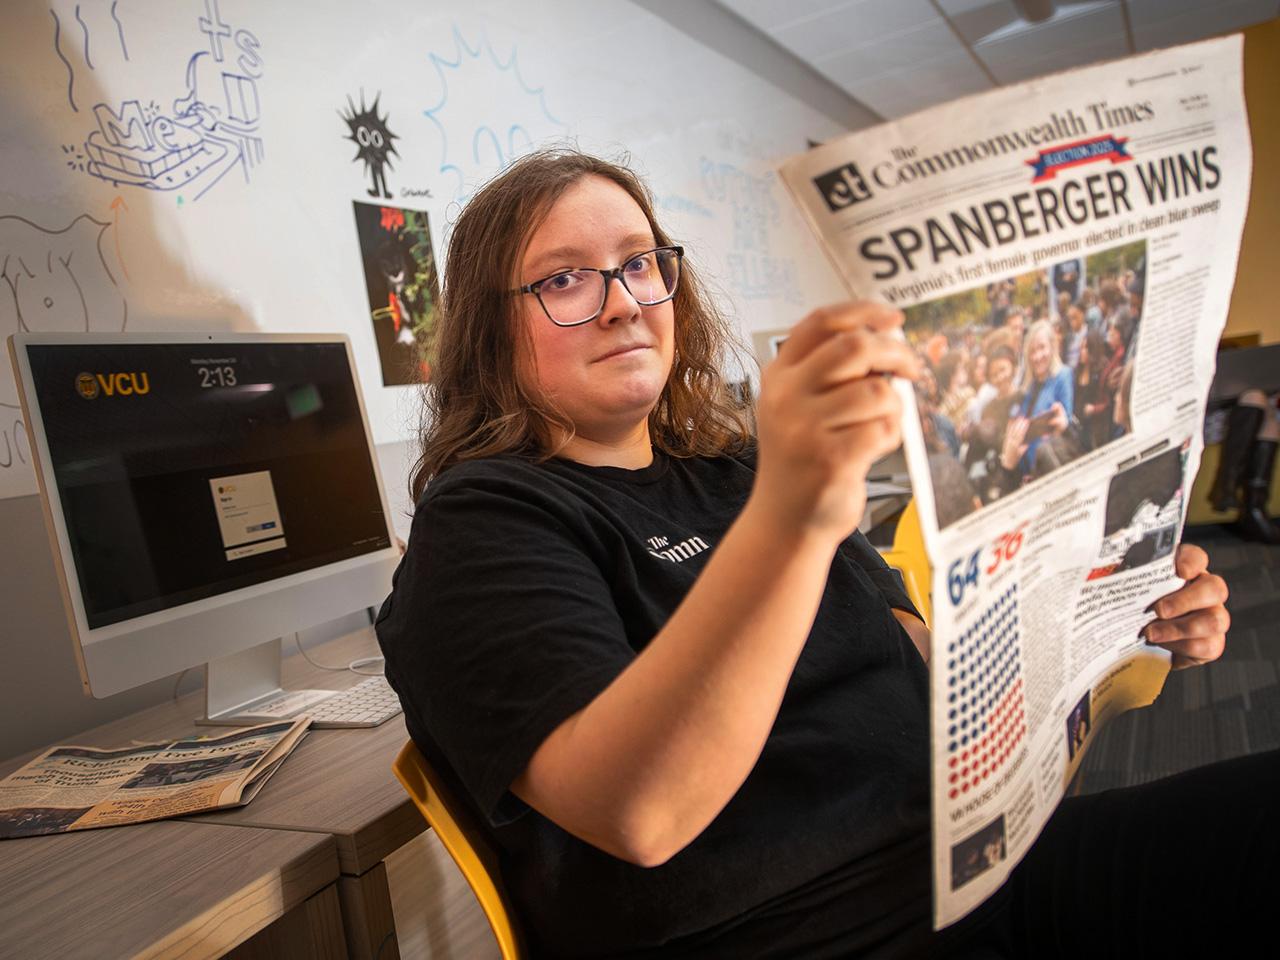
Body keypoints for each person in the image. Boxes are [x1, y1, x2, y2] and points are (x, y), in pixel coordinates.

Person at [377, 150, 1249, 959]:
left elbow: (926, 674)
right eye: (565, 279)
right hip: (819, 932)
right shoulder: (485, 519)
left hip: (982, 865)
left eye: (641, 264)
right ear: (493, 331)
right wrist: (791, 513)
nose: (622, 302)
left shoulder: (738, 471)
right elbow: (643, 809)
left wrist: (1112, 613)